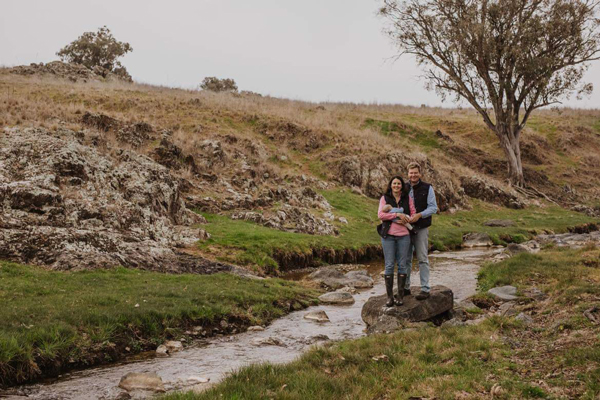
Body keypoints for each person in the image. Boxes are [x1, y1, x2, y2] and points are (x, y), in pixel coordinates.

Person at [396, 162, 438, 300]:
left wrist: (419, 215)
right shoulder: (403, 187)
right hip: (406, 229)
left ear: (420, 173)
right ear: (407, 173)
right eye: (411, 173)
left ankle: (425, 289)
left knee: (422, 258)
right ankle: (405, 288)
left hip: (421, 228)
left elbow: (433, 207)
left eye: (415, 173)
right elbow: (399, 205)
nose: (413, 175)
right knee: (405, 259)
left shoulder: (428, 187)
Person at [377, 176, 411, 307]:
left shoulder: (407, 198)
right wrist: (397, 215)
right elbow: (380, 215)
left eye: (398, 183)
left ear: (402, 185)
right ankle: (390, 298)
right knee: (389, 265)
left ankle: (400, 296)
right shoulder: (384, 198)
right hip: (388, 236)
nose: (396, 185)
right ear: (391, 185)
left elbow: (412, 213)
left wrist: (407, 219)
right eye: (394, 183)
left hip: (404, 236)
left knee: (402, 265)